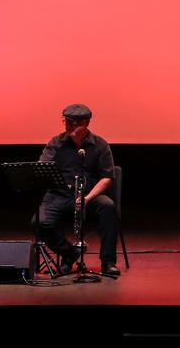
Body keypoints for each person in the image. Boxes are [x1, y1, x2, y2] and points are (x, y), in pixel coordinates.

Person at [35, 104, 120, 277]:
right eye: (66, 122)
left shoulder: (100, 145)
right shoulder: (56, 143)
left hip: (89, 195)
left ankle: (108, 262)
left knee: (108, 207)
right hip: (60, 194)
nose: (67, 127)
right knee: (40, 222)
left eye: (72, 123)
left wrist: (87, 198)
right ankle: (69, 254)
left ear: (85, 123)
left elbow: (107, 178)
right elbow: (42, 168)